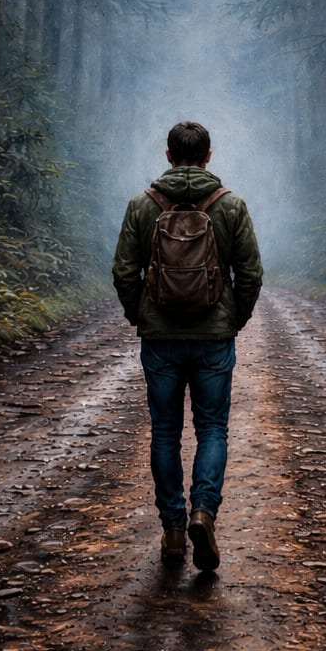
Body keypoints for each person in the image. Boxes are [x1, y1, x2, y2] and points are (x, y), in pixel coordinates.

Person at [112, 120, 263, 571]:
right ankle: (204, 512)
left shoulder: (143, 205)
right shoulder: (230, 205)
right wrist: (233, 319)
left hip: (160, 339)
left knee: (164, 432)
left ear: (168, 156)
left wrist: (142, 315)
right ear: (209, 157)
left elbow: (124, 272)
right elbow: (250, 274)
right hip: (214, 338)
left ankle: (174, 530)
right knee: (212, 429)